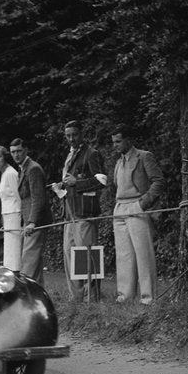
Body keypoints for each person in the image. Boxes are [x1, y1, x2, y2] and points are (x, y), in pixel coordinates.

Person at [111, 125, 164, 304]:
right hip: (119, 209)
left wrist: (143, 203)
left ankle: (148, 299)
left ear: (128, 140)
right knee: (124, 255)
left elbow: (158, 182)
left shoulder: (144, 156)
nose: (115, 145)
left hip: (136, 207)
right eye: (113, 142)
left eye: (118, 141)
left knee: (143, 254)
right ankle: (124, 297)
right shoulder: (119, 162)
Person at [55, 120, 107, 302]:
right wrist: (61, 186)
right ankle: (75, 298)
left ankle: (91, 297)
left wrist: (77, 183)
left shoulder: (92, 154)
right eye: (68, 136)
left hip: (85, 213)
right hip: (69, 213)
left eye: (74, 135)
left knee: (86, 255)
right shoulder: (69, 155)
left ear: (82, 134)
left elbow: (102, 181)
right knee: (70, 255)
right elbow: (69, 181)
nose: (71, 139)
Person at [10, 138, 51, 283]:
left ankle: (25, 294)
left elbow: (38, 198)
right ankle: (38, 293)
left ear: (26, 150)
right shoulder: (23, 169)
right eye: (13, 152)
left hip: (36, 222)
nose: (16, 155)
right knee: (35, 262)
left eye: (19, 151)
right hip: (28, 221)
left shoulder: (33, 168)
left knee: (28, 261)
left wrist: (32, 222)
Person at [0, 145, 22, 271]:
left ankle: (15, 272)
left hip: (14, 213)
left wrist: (22, 217)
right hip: (7, 214)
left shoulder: (11, 173)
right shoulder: (3, 174)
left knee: (14, 247)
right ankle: (9, 271)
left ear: (5, 157)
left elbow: (18, 196)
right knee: (8, 247)